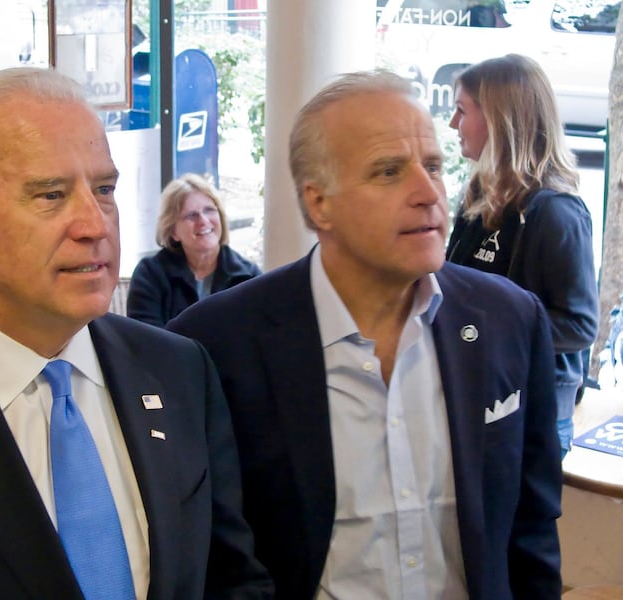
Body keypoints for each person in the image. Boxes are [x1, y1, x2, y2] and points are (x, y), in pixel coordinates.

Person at [0, 67, 272, 599]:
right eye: (51, 195)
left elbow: (232, 579)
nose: (95, 223)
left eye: (104, 188)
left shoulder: (180, 372)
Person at [168, 71, 562, 599]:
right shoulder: (214, 346)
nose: (428, 193)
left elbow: (531, 534)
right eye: (388, 172)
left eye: (434, 166)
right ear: (319, 204)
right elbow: (216, 559)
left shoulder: (509, 320)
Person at [446, 54, 599, 456]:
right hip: (475, 403)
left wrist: (493, 327)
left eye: (461, 111)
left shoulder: (555, 213)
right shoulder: (476, 202)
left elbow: (580, 326)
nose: (452, 125)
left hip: (530, 419)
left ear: (499, 118)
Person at [126, 173, 261, 326]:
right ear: (173, 231)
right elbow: (143, 339)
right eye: (191, 215)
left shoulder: (248, 276)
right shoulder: (150, 274)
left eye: (209, 210)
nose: (203, 221)